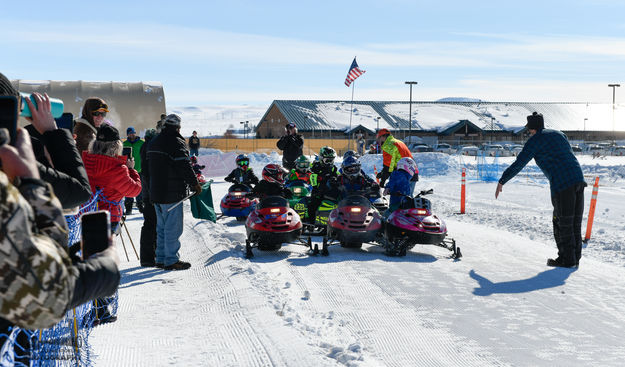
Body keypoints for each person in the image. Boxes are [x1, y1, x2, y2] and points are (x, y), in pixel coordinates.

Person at [0, 76, 120, 335]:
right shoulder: (10, 162)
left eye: (104, 113)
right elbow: (78, 191)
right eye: (98, 112)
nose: (101, 117)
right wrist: (51, 137)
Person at [496, 112, 586, 268]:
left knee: (562, 222)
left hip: (562, 184)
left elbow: (520, 163)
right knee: (574, 223)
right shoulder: (559, 134)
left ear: (532, 129)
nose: (528, 132)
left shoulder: (535, 140)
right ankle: (575, 258)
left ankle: (567, 260)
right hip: (578, 179)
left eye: (529, 130)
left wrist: (502, 180)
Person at [146, 114, 200, 271]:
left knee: (161, 227)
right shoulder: (175, 142)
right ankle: (171, 260)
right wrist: (194, 184)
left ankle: (161, 258)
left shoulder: (154, 141)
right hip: (171, 193)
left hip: (155, 191)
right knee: (172, 228)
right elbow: (184, 165)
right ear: (178, 127)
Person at [82, 124, 142, 234]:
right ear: (115, 146)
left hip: (86, 216)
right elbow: (135, 190)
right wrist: (131, 170)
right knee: (104, 251)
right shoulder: (116, 169)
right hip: (108, 219)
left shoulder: (85, 162)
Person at [375, 129, 418, 193]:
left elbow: (389, 165)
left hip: (403, 175)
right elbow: (394, 161)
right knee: (408, 199)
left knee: (399, 199)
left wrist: (383, 179)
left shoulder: (388, 145)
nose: (378, 140)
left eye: (379, 138)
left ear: (383, 137)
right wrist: (383, 172)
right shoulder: (398, 142)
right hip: (413, 171)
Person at [139, 128, 158, 267]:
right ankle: (151, 256)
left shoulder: (144, 147)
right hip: (151, 192)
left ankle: (147, 257)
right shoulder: (150, 148)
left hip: (147, 192)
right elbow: (149, 174)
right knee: (153, 225)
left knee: (148, 225)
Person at [306, 146, 339, 223]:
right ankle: (311, 222)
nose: (329, 162)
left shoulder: (333, 168)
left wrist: (337, 179)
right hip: (317, 191)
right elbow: (310, 174)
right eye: (327, 160)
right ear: (321, 158)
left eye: (331, 160)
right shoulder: (316, 167)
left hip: (331, 191)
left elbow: (338, 175)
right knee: (313, 204)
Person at [123, 126, 145, 214]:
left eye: (133, 133)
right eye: (129, 133)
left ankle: (141, 206)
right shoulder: (124, 144)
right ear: (127, 134)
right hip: (128, 171)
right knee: (128, 189)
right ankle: (128, 208)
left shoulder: (141, 143)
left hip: (139, 169)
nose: (131, 135)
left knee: (139, 189)